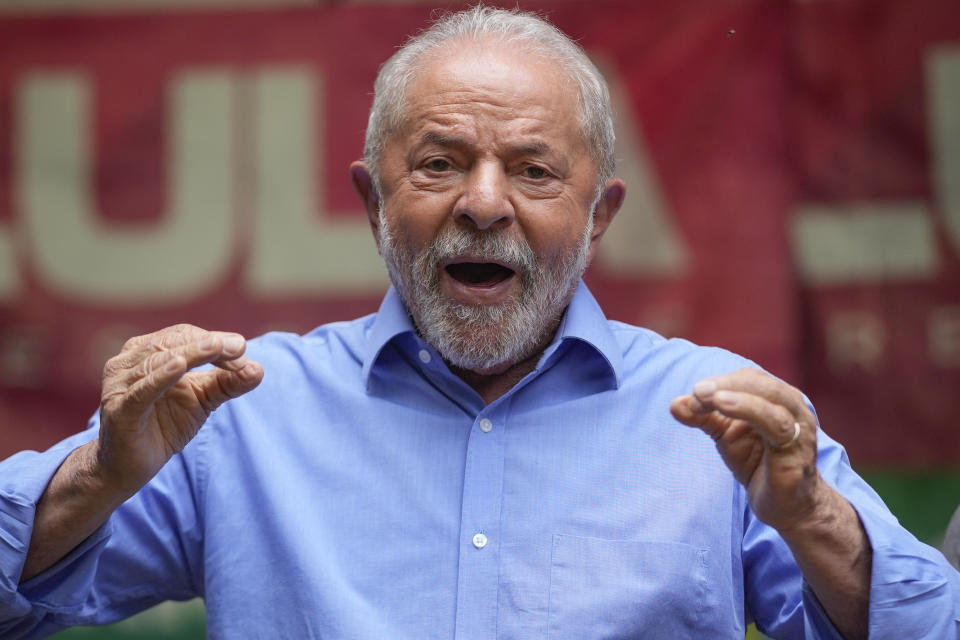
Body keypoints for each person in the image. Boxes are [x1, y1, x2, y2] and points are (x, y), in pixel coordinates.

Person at [1, 6, 957, 639]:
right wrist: (101, 475)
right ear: (374, 206)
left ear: (601, 218)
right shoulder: (238, 410)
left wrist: (810, 520)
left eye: (535, 171)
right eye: (439, 163)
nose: (485, 204)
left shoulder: (720, 416)